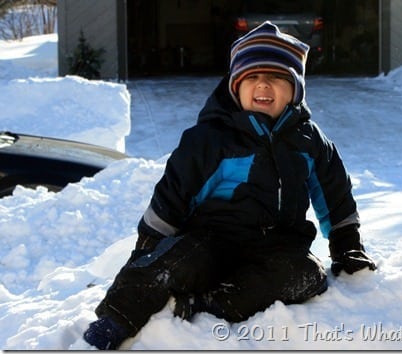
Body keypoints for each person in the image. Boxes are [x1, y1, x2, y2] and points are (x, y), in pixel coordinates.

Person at [83, 21, 376, 350]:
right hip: (211, 240)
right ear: (236, 86)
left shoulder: (311, 143)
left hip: (277, 248)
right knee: (175, 261)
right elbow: (172, 197)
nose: (263, 84)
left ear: (295, 89)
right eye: (252, 77)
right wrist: (148, 254)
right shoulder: (209, 139)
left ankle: (208, 304)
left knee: (307, 275)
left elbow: (335, 197)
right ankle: (116, 320)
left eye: (277, 77)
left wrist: (347, 246)